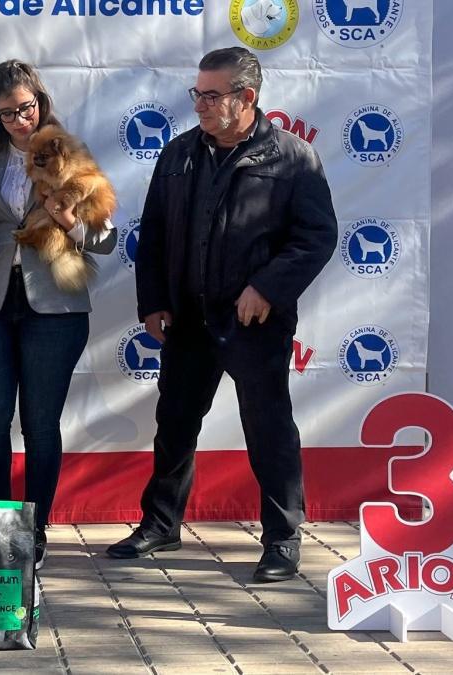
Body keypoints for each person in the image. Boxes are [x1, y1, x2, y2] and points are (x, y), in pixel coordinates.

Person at [106, 47, 336, 583]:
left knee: (268, 427)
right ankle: (161, 524)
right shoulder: (179, 155)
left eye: (212, 96)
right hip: (188, 318)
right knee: (175, 424)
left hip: (255, 323)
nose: (201, 106)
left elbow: (317, 236)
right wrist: (153, 302)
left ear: (247, 97)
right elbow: (156, 235)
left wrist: (267, 287)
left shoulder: (293, 158)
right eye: (198, 94)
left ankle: (282, 539)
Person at [0, 60, 115, 570]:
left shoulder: (69, 154)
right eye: (7, 113)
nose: (20, 121)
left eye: (26, 108)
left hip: (55, 306)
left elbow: (107, 238)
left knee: (40, 425)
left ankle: (36, 530)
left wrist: (69, 220)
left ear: (41, 103)